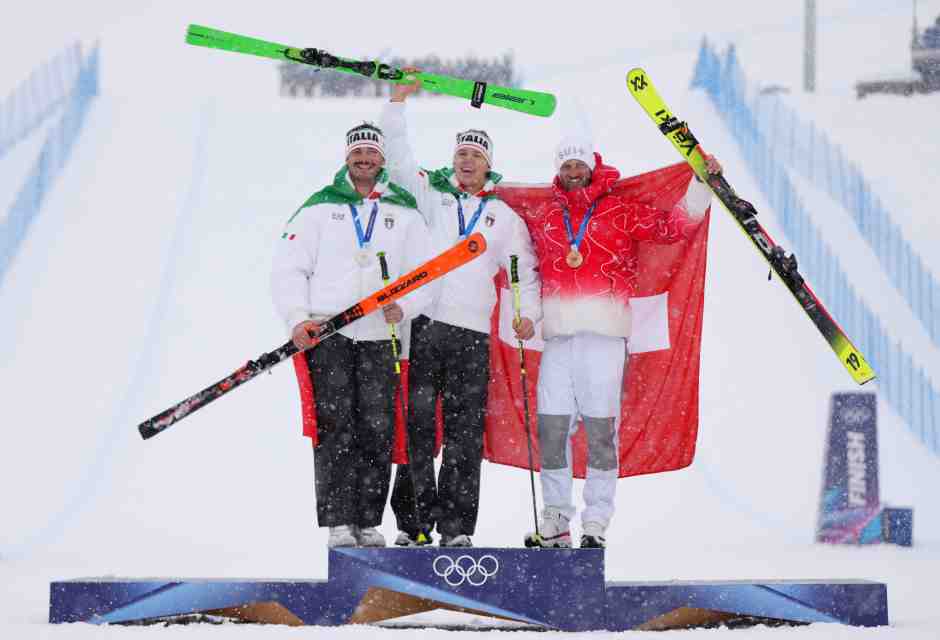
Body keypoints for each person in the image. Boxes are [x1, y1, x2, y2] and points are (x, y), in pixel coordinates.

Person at [518, 137, 721, 549]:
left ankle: (596, 521)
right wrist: (528, 315)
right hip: (558, 339)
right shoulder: (546, 218)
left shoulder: (618, 210)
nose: (573, 173)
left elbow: (672, 228)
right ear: (558, 172)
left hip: (605, 339)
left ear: (592, 167)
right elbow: (528, 269)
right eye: (565, 167)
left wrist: (702, 184)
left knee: (600, 433)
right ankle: (555, 518)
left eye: (579, 165)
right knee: (551, 431)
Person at [379, 77, 540, 548]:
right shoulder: (433, 196)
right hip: (425, 325)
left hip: (471, 336)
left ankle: (455, 529)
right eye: (461, 154)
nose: (466, 161)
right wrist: (396, 104)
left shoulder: (502, 217)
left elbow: (523, 272)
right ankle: (413, 525)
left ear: (488, 165)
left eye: (475, 155)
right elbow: (399, 160)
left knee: (464, 435)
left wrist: (526, 314)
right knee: (417, 427)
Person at [271, 123, 432, 548]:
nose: (364, 159)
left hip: (381, 334)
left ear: (382, 159)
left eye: (371, 152)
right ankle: (339, 522)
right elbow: (288, 268)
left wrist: (407, 307)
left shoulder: (405, 212)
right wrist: (297, 318)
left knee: (377, 429)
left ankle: (367, 520)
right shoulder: (319, 208)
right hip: (330, 334)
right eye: (357, 152)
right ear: (346, 158)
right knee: (335, 427)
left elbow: (426, 276)